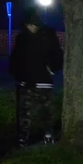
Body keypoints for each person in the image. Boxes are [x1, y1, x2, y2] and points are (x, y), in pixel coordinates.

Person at [9, 9, 63, 146]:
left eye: (34, 25)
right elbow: (16, 58)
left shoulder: (48, 37)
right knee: (23, 112)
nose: (32, 27)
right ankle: (22, 137)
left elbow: (57, 56)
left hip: (43, 81)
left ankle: (48, 135)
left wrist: (51, 69)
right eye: (29, 25)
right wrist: (17, 74)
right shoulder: (22, 38)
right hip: (25, 81)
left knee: (45, 110)